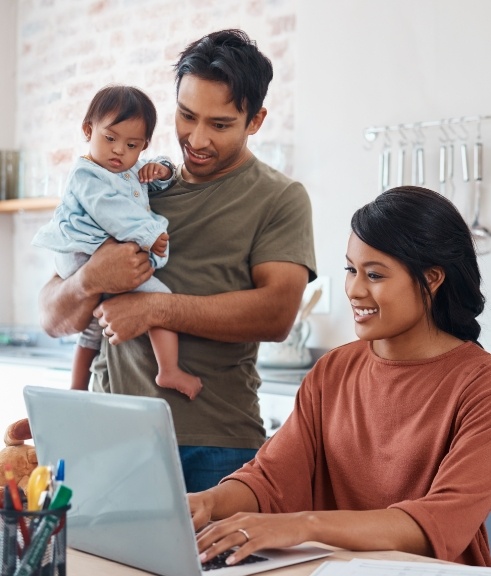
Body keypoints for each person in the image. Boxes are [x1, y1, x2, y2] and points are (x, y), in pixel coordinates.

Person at [37, 29, 317, 492]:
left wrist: (156, 308)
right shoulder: (130, 186)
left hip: (218, 446)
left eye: (221, 124)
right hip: (112, 435)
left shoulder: (280, 198)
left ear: (256, 120)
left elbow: (277, 314)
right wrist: (90, 278)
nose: (198, 138)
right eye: (187, 116)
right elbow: (52, 315)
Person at [189, 186, 491, 568]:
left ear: (432, 278)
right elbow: (271, 478)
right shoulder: (333, 370)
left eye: (375, 275)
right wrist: (205, 502)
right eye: (351, 269)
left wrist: (305, 526)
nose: (355, 289)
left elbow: (439, 522)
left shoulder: (480, 385)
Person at [33, 85, 202, 399]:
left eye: (132, 144)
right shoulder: (87, 174)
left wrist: (161, 169)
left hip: (89, 252)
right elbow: (111, 211)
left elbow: (154, 177)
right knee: (159, 297)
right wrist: (149, 236)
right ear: (88, 130)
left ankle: (76, 389)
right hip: (81, 253)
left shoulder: (129, 169)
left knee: (94, 327)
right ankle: (170, 370)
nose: (118, 151)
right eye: (110, 139)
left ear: (143, 146)